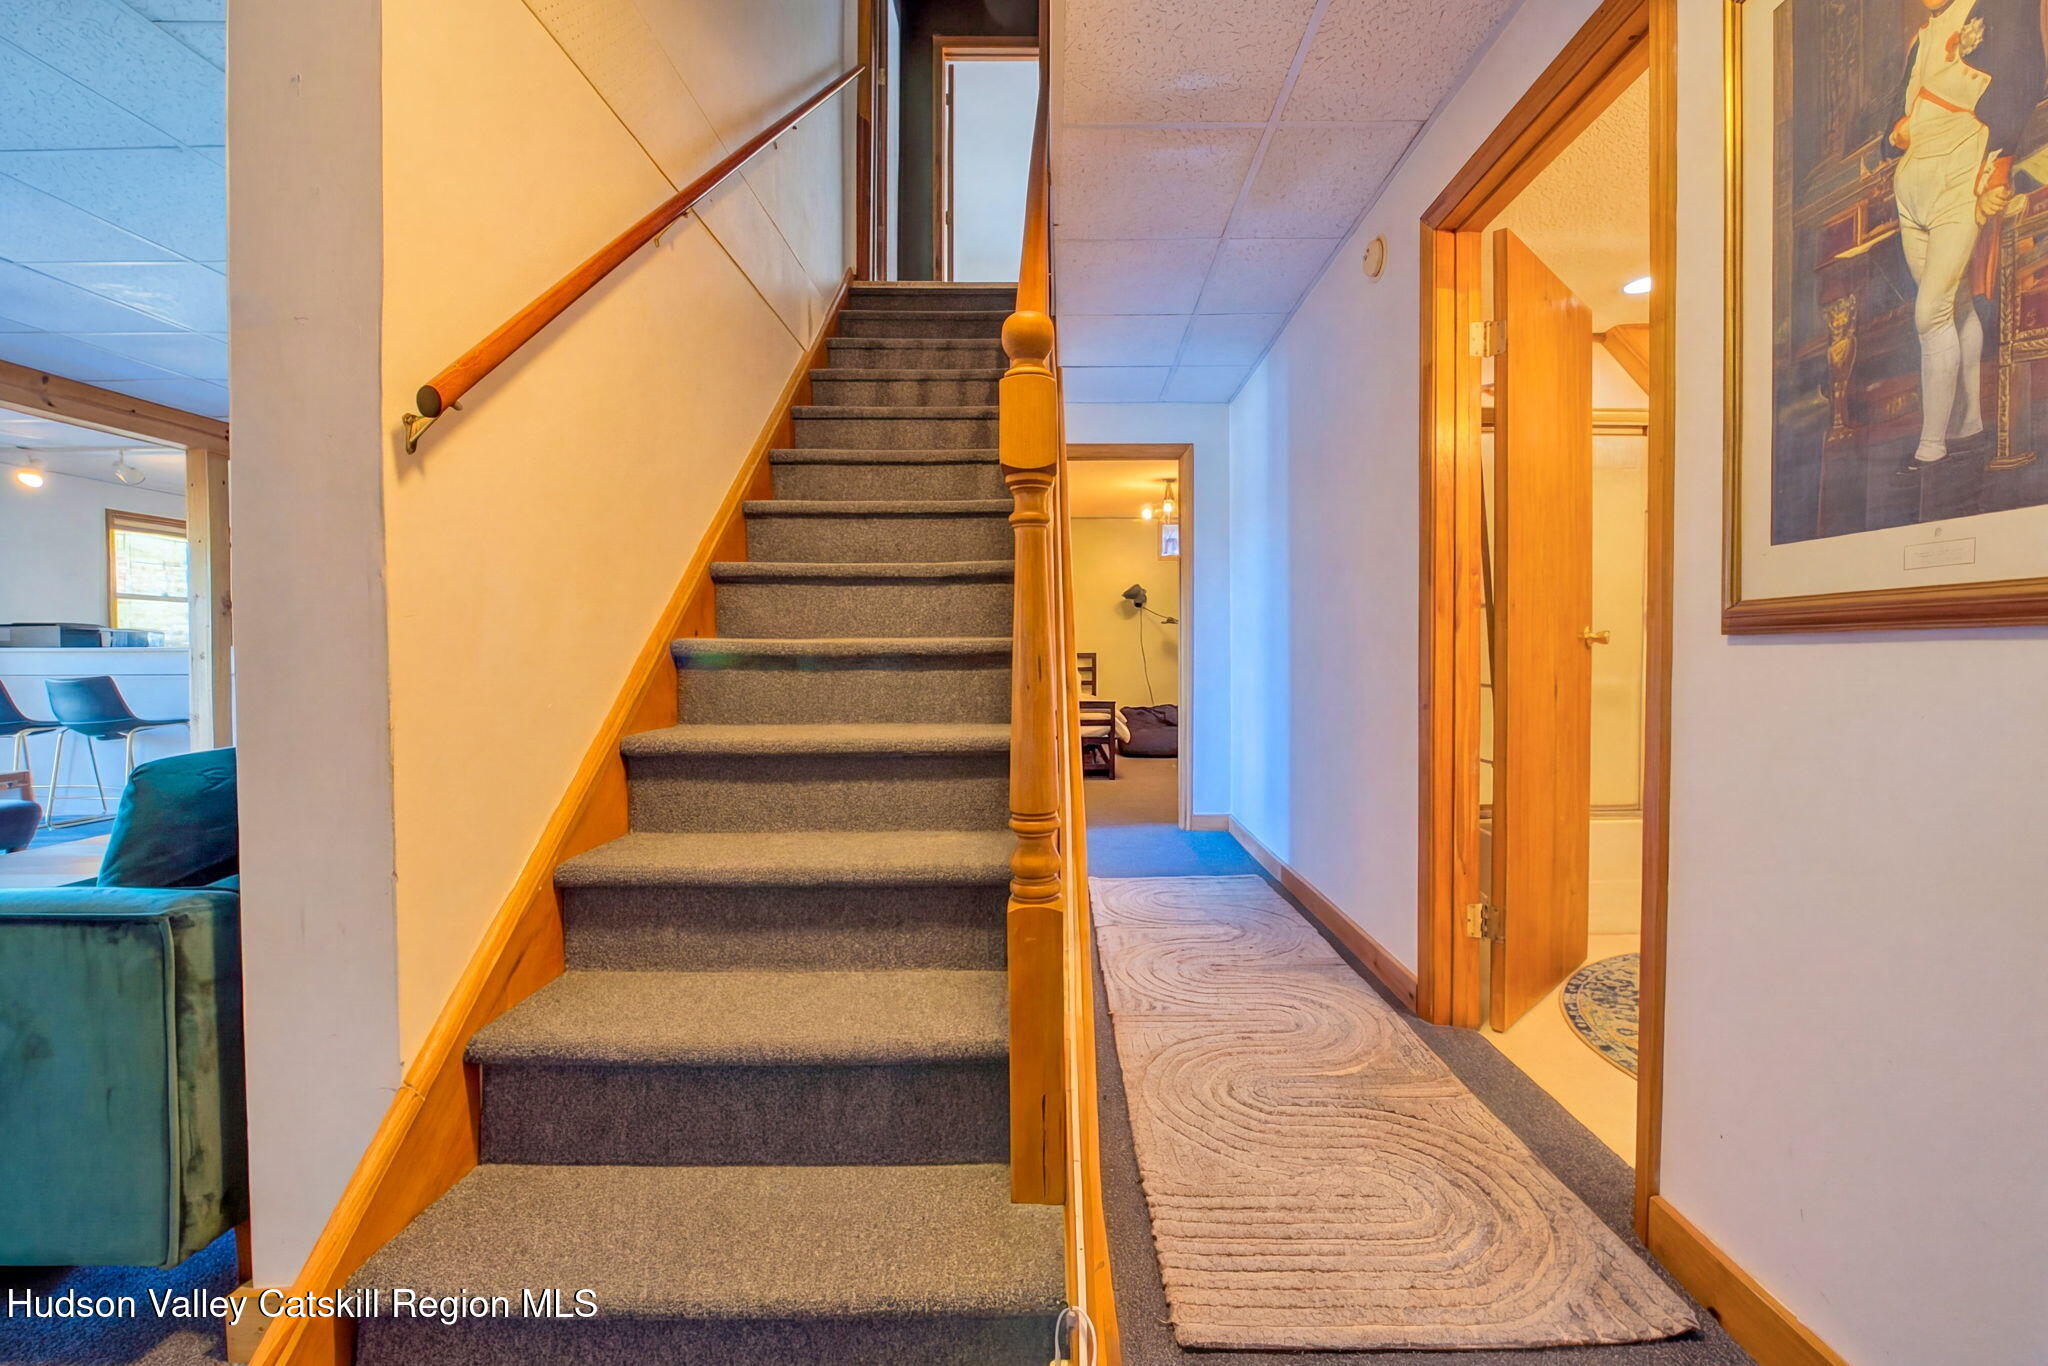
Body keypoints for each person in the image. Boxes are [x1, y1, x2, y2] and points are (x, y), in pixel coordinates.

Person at [1885, 0, 2046, 470]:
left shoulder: (2001, 8)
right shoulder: (1922, 36)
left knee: (1929, 314)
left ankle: (1931, 447)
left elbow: (2023, 82)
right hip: (1912, 184)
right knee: (1954, 305)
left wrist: (2000, 168)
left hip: (1961, 176)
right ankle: (1971, 422)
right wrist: (1894, 134)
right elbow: (1897, 113)